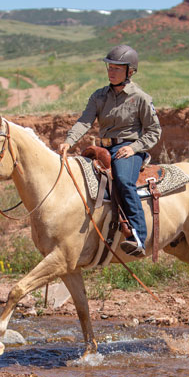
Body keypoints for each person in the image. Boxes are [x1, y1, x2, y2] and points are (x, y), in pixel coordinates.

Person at [58, 45, 162, 257]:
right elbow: (85, 121)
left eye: (117, 68)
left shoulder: (141, 98)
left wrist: (133, 148)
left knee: (123, 181)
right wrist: (69, 141)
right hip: (103, 148)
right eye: (109, 67)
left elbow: (154, 131)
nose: (111, 72)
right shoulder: (99, 96)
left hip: (128, 150)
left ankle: (139, 237)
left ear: (130, 71)